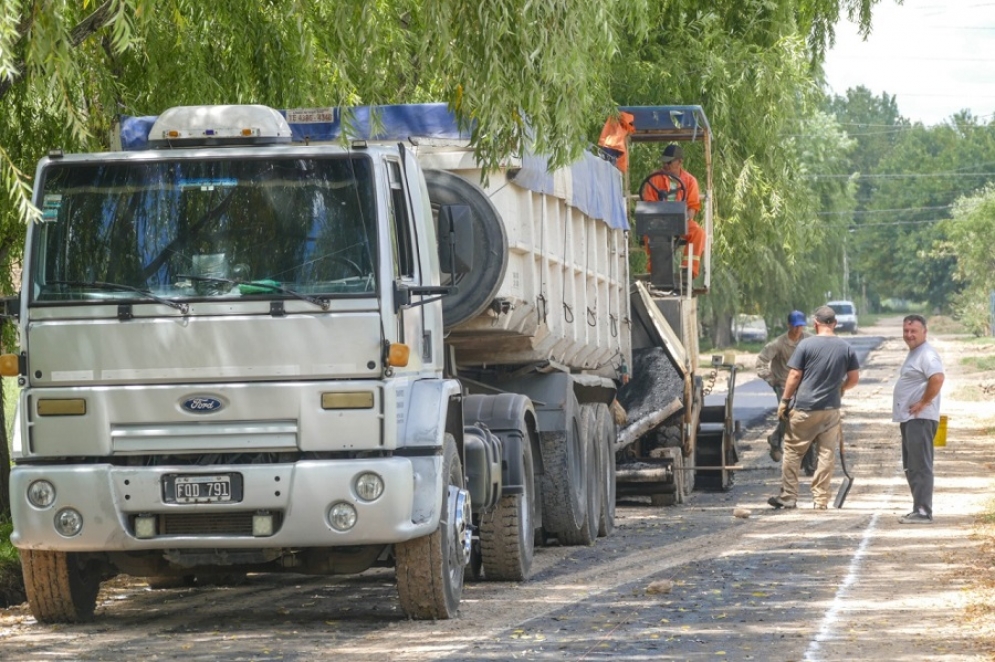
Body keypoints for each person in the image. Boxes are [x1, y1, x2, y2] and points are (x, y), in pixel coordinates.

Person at [768, 305, 859, 510]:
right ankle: (821, 500)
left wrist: (785, 401)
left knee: (793, 450)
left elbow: (794, 375)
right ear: (835, 323)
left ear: (815, 323)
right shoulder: (845, 347)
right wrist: (841, 388)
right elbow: (854, 379)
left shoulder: (806, 345)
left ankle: (789, 496)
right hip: (830, 410)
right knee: (826, 453)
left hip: (805, 408)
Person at [893, 314, 945, 524]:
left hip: (920, 419)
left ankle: (923, 511)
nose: (909, 335)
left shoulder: (927, 354)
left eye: (913, 331)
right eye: (906, 331)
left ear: (924, 332)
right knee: (912, 465)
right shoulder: (915, 353)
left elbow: (938, 378)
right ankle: (918, 508)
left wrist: (923, 402)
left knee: (921, 465)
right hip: (911, 419)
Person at [639, 144, 706, 279]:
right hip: (657, 221)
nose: (665, 165)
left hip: (680, 222)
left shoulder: (690, 181)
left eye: (669, 162)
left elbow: (692, 208)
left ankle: (688, 270)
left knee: (698, 232)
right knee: (649, 231)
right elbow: (648, 204)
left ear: (679, 162)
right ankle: (656, 270)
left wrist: (683, 219)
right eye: (664, 162)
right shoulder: (654, 179)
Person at [756, 310, 813, 463]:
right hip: (783, 385)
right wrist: (770, 379)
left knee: (808, 419)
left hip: (805, 386)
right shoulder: (778, 344)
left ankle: (776, 438)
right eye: (795, 326)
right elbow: (761, 362)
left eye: (800, 326)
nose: (798, 329)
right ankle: (782, 443)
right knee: (788, 416)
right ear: (788, 325)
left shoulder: (809, 340)